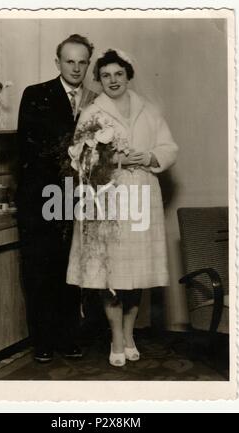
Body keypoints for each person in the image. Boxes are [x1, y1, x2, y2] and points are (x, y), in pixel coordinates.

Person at [67, 49, 178, 367]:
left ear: (128, 75)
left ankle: (130, 334)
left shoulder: (150, 110)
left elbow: (168, 147)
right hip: (107, 198)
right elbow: (79, 156)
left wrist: (150, 157)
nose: (113, 80)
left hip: (143, 194)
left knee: (136, 271)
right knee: (111, 273)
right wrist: (115, 159)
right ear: (99, 79)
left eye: (119, 74)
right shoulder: (92, 113)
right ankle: (116, 336)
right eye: (106, 75)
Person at [16, 34, 96, 362]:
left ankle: (68, 338)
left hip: (79, 200)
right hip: (42, 199)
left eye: (82, 62)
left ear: (88, 64)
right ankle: (43, 341)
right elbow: (28, 150)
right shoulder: (36, 96)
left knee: (72, 271)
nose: (76, 68)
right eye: (69, 61)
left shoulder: (96, 100)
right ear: (58, 62)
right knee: (41, 271)